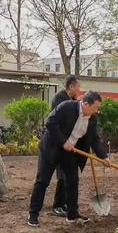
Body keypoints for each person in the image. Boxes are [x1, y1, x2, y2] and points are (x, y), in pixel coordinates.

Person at [28, 91, 107, 227]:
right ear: (86, 104)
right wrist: (63, 141)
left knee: (72, 181)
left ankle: (72, 215)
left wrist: (104, 157)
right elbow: (50, 123)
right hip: (51, 148)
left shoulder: (92, 119)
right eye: (95, 108)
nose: (96, 111)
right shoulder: (67, 107)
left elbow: (94, 139)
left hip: (69, 152)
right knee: (42, 181)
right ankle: (33, 214)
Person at [51, 75, 80, 217]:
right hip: (57, 143)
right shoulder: (59, 99)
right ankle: (57, 205)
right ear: (71, 87)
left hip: (69, 144)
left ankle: (67, 203)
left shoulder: (74, 100)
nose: (79, 89)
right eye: (78, 86)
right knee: (61, 175)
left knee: (70, 175)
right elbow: (59, 121)